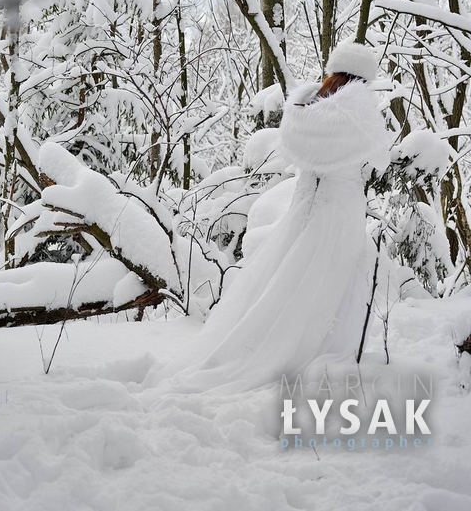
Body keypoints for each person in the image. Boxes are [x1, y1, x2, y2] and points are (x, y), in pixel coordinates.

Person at [153, 41, 392, 393]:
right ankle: (313, 352)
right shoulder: (359, 116)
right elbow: (377, 159)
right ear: (361, 79)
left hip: (305, 206)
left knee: (284, 279)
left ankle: (275, 343)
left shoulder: (305, 109)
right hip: (341, 209)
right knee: (328, 283)